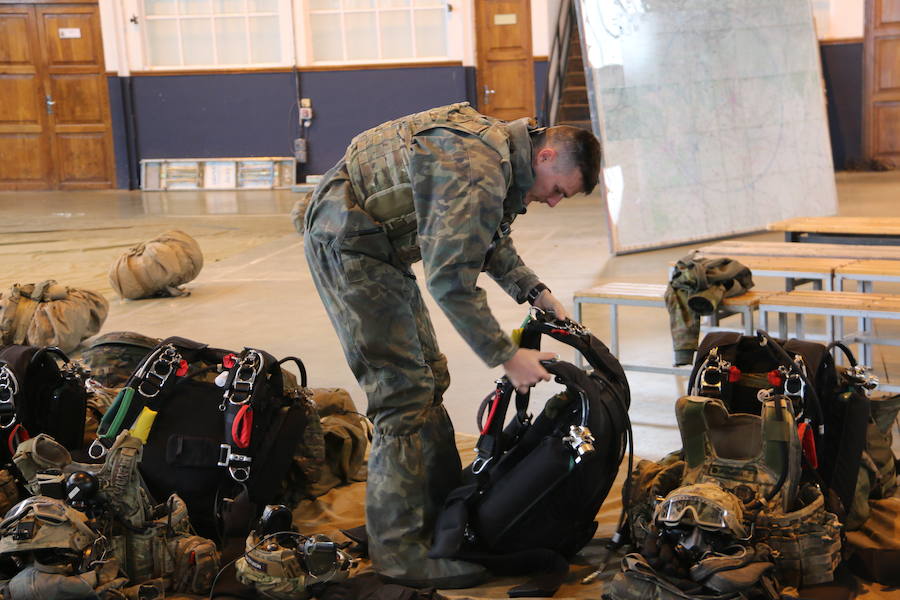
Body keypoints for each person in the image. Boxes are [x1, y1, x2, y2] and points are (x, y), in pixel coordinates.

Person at [303, 102, 602, 588]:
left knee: (429, 377)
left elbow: (486, 238)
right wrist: (508, 357)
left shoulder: (502, 158)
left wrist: (535, 291)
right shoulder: (478, 166)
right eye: (558, 192)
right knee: (400, 393)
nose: (551, 202)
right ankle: (399, 553)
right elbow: (449, 280)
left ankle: (443, 507)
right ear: (546, 157)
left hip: (375, 245)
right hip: (349, 246)